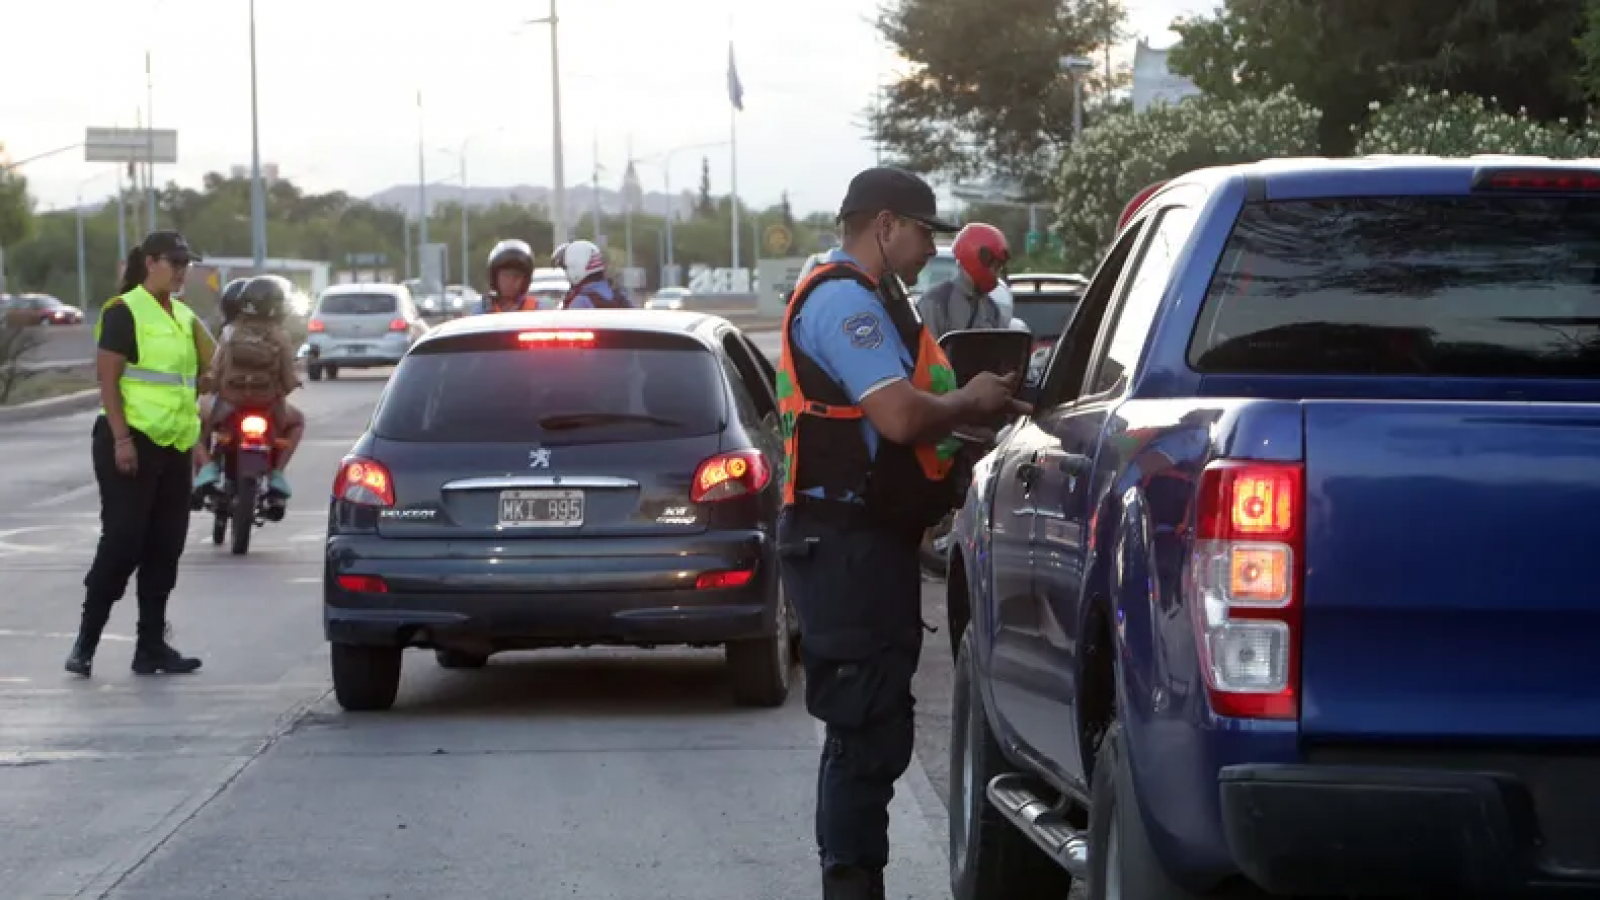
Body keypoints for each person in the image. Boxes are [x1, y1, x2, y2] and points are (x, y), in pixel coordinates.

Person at [776, 166, 1030, 899]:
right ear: (884, 224)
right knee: (863, 731)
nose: (932, 249)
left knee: (875, 723)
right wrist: (969, 402)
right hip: (842, 543)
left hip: (862, 540)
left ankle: (856, 879)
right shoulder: (845, 304)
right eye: (924, 233)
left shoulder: (875, 297)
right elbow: (896, 416)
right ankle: (852, 885)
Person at [66, 230, 209, 678]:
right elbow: (108, 380)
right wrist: (122, 438)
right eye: (174, 262)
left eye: (187, 263)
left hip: (174, 446)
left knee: (165, 547)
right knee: (123, 542)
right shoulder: (124, 310)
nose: (182, 270)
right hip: (129, 443)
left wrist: (199, 442)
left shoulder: (184, 317)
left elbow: (194, 381)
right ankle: (86, 642)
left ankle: (151, 647)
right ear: (150, 262)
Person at [193, 275, 305, 501]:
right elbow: (287, 379)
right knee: (298, 421)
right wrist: (288, 386)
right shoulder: (281, 337)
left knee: (190, 421)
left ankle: (206, 467)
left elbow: (215, 370)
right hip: (267, 406)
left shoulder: (229, 332)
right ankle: (277, 473)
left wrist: (209, 385)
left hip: (229, 405)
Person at [916, 222, 1011, 338]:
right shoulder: (936, 303)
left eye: (999, 267)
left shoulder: (991, 308)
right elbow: (925, 352)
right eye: (996, 267)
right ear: (981, 259)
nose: (997, 274)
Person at [553, 240, 631, 308]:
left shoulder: (581, 301)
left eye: (566, 267)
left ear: (576, 265)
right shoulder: (620, 297)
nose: (566, 272)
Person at [478, 239, 540, 313]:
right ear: (494, 278)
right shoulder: (481, 311)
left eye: (517, 276)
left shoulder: (538, 309)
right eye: (505, 275)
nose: (510, 281)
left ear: (525, 280)